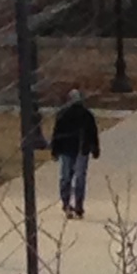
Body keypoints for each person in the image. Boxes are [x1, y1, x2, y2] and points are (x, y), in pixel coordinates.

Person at [48, 89, 99, 218]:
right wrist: (55, 150)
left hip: (82, 149)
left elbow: (92, 133)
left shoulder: (87, 115)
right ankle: (67, 204)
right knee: (68, 177)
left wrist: (95, 148)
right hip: (67, 149)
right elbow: (57, 134)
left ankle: (78, 205)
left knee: (77, 178)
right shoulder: (63, 115)